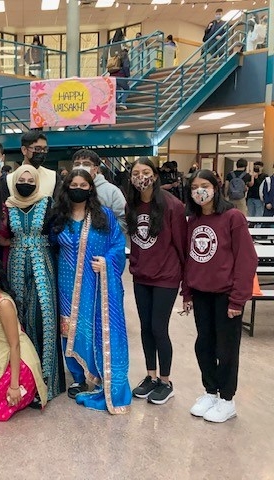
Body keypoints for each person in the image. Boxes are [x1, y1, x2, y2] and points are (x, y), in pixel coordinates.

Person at [49, 169, 131, 413]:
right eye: (73, 185)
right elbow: (51, 247)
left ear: (91, 188)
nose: (78, 189)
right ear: (66, 188)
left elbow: (118, 244)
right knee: (68, 328)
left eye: (83, 185)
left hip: (95, 284)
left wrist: (106, 262)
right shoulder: (59, 216)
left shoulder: (103, 216)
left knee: (93, 327)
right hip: (66, 283)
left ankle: (97, 375)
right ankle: (77, 377)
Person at [182, 169, 257, 423]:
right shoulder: (193, 221)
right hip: (201, 294)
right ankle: (210, 391)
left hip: (226, 296)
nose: (199, 191)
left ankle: (227, 399)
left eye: (204, 185)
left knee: (226, 349)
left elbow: (247, 259)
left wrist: (238, 299)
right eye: (194, 187)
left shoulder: (233, 217)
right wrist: (187, 291)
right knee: (204, 345)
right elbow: (190, 258)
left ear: (216, 187)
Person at [126, 158, 187, 405]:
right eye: (136, 173)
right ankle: (150, 376)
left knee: (159, 328)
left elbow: (182, 244)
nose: (141, 177)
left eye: (146, 171)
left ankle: (165, 381)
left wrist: (186, 283)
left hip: (166, 276)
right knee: (145, 328)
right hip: (142, 276)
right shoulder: (132, 204)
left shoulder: (173, 205)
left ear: (155, 174)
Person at [5, 165, 65, 401]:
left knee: (44, 319)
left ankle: (48, 381)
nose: (26, 183)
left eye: (31, 180)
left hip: (43, 264)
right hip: (16, 265)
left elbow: (58, 232)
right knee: (18, 321)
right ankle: (24, 380)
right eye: (22, 180)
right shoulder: (8, 205)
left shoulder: (48, 204)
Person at [0, 254, 48, 420]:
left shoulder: (3, 303)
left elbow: (15, 345)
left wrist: (14, 386)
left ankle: (25, 391)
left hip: (17, 362)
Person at [71, 149, 127, 231]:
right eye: (77, 164)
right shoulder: (67, 189)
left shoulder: (111, 191)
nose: (81, 167)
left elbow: (123, 219)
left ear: (95, 169)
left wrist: (103, 233)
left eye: (86, 164)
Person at [1, 131, 62, 200]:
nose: (42, 152)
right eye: (37, 149)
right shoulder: (9, 180)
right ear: (24, 150)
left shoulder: (53, 177)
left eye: (45, 149)